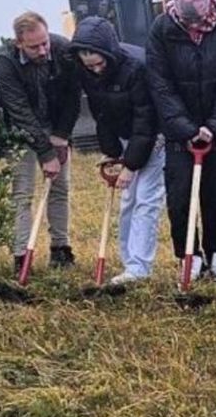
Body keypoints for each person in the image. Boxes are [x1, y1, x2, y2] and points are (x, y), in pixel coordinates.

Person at [147, 0, 216, 285]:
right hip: (181, 135)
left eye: (198, 20)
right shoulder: (161, 30)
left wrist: (214, 127)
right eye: (188, 20)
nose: (193, 26)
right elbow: (160, 85)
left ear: (208, 7)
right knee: (179, 200)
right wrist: (186, 129)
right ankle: (190, 258)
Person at [69, 16, 164, 284]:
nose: (96, 70)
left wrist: (131, 165)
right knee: (128, 202)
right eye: (89, 66)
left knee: (146, 200)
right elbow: (102, 113)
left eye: (100, 63)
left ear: (109, 53)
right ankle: (129, 264)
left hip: (153, 138)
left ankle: (139, 268)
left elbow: (146, 119)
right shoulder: (87, 72)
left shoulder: (137, 68)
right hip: (123, 138)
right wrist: (112, 152)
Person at [0, 11, 81, 276]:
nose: (43, 50)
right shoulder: (4, 60)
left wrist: (61, 137)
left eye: (45, 43)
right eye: (34, 47)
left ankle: (61, 250)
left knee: (60, 187)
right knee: (23, 193)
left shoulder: (64, 50)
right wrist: (45, 153)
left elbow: (73, 98)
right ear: (19, 43)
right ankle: (22, 256)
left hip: (56, 125)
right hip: (21, 130)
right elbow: (18, 109)